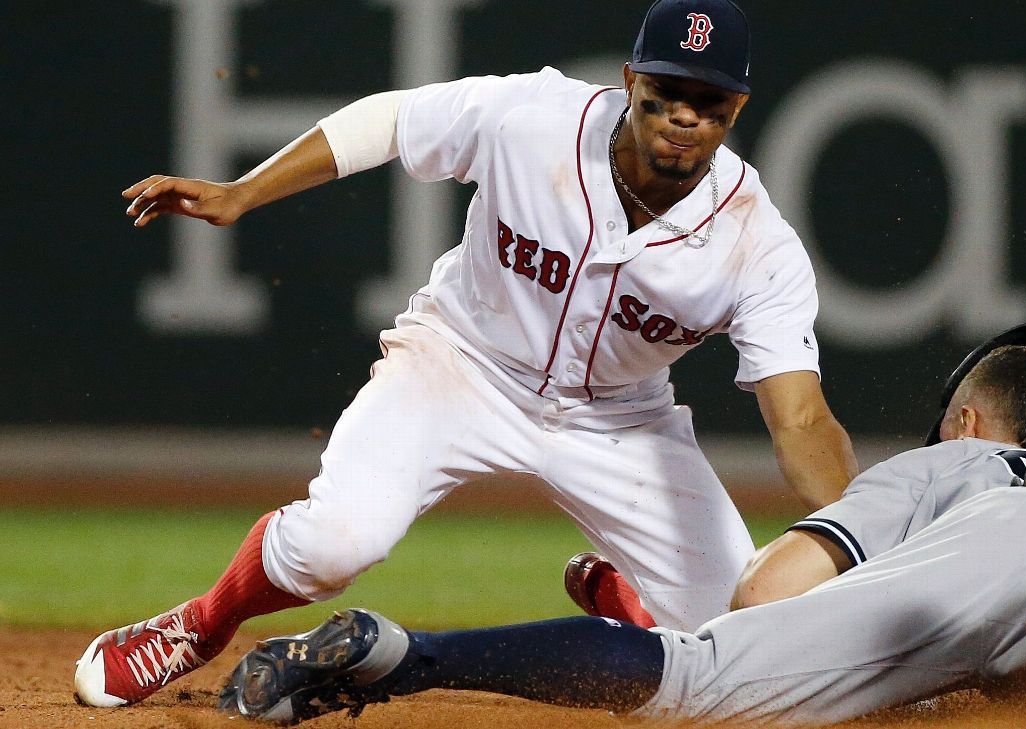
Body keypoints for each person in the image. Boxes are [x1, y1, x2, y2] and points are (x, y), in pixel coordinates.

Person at [73, 0, 860, 709]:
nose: (684, 114)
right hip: (459, 364)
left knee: (746, 641)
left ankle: (632, 600)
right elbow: (392, 120)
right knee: (333, 544)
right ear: (629, 80)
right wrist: (245, 190)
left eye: (709, 99)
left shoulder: (757, 241)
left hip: (619, 420)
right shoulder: (535, 118)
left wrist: (858, 549)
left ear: (738, 106)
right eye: (667, 91)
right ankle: (200, 624)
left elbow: (800, 419)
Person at [217, 292, 1026, 726]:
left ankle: (406, 656)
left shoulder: (943, 470)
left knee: (702, 681)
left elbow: (767, 591)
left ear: (965, 413)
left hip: (987, 559)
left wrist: (682, 623)